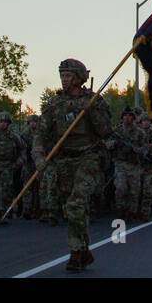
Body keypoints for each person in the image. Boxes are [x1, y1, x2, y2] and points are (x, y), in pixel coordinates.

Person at [39, 58, 112, 272]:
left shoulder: (94, 101)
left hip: (88, 158)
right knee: (71, 209)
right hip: (64, 160)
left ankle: (74, 253)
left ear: (79, 78)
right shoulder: (54, 104)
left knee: (75, 205)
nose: (64, 80)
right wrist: (39, 159)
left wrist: (91, 111)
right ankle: (84, 250)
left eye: (68, 75)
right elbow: (40, 135)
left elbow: (106, 131)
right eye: (62, 75)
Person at [107, 107, 143, 220]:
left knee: (134, 190)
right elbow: (107, 144)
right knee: (121, 188)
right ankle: (120, 210)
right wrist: (115, 143)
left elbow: (144, 148)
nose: (127, 118)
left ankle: (131, 212)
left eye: (130, 116)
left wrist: (135, 149)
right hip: (120, 164)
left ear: (133, 118)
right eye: (125, 116)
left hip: (134, 165)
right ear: (122, 117)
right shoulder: (116, 131)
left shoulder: (139, 132)